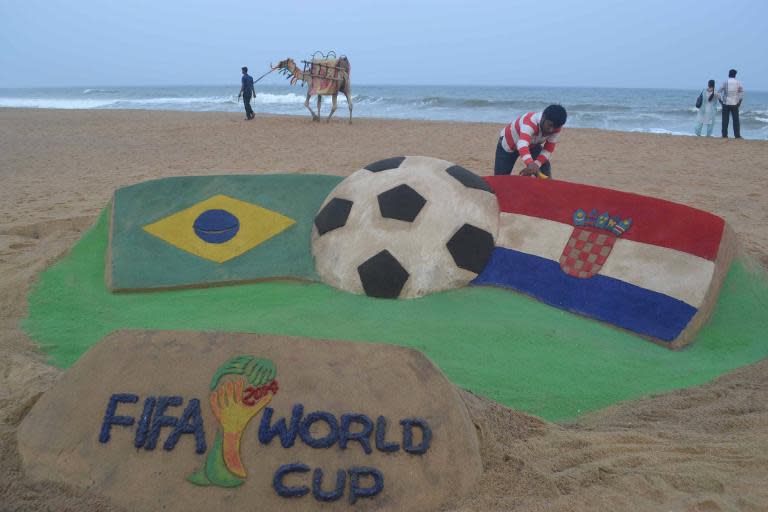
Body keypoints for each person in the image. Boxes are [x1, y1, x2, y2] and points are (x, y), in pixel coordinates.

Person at [494, 104, 567, 178]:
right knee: (500, 178)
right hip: (509, 145)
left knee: (544, 167)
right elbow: (522, 145)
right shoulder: (530, 122)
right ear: (543, 117)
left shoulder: (556, 128)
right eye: (550, 125)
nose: (551, 130)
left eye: (555, 127)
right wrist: (530, 164)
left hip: (532, 144)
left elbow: (548, 149)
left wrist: (536, 165)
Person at [718, 69, 744, 138]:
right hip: (735, 103)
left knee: (725, 120)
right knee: (736, 120)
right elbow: (742, 92)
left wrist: (720, 100)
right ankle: (737, 135)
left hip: (726, 103)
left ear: (729, 74)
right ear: (735, 75)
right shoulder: (738, 83)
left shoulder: (725, 82)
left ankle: (724, 135)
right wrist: (740, 101)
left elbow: (719, 92)